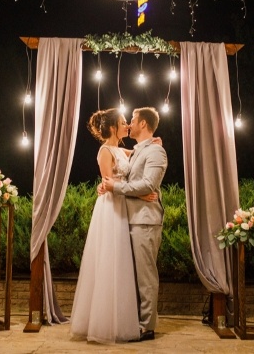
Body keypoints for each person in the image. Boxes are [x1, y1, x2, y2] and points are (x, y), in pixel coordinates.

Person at [70, 108, 157, 344]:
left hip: (124, 206)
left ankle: (122, 318)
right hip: (111, 208)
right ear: (112, 128)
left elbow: (140, 152)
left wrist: (154, 141)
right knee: (109, 261)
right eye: (122, 123)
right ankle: (104, 322)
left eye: (128, 122)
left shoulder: (122, 150)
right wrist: (140, 196)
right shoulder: (105, 151)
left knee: (122, 263)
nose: (127, 125)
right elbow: (108, 182)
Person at [102, 107, 168, 342]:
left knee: (146, 275)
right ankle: (135, 320)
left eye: (132, 119)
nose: (129, 123)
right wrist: (108, 185)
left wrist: (115, 187)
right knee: (133, 275)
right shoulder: (139, 150)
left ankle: (147, 327)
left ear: (143, 124)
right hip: (128, 218)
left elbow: (148, 185)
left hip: (145, 221)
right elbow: (124, 176)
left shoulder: (156, 152)